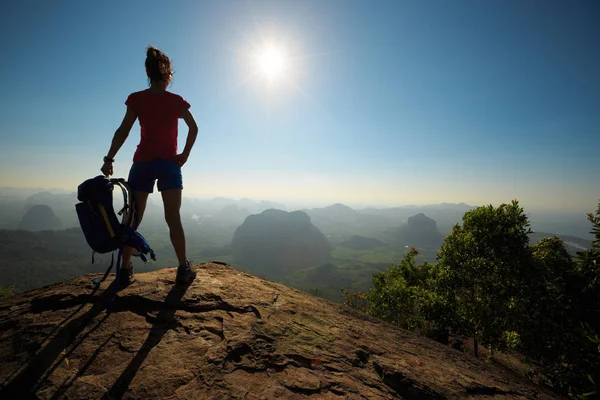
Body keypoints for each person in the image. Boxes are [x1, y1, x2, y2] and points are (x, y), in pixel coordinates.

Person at [100, 46, 198, 286]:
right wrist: (183, 155)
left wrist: (109, 158)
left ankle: (124, 271)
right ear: (168, 75)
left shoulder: (137, 99)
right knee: (173, 217)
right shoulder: (176, 101)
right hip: (169, 163)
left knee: (132, 218)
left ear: (148, 72)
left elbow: (123, 130)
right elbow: (193, 127)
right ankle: (183, 268)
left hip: (142, 163)